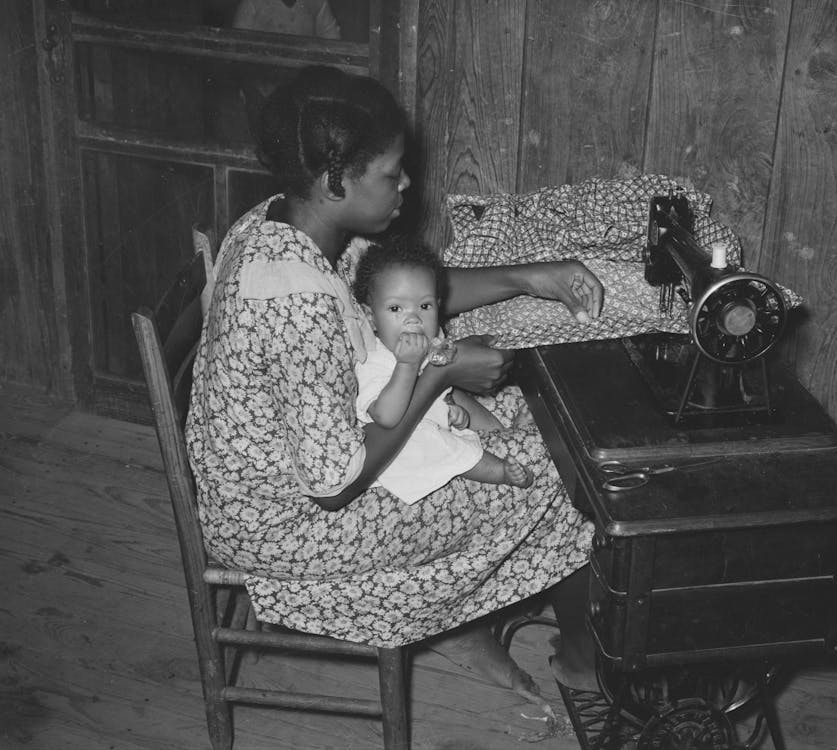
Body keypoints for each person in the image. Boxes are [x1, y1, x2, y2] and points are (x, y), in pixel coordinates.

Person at [185, 65, 605, 707]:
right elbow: (335, 484)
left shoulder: (292, 223)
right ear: (336, 180)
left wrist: (531, 276)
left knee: (529, 415)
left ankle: (459, 614)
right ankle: (577, 660)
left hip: (301, 461)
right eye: (390, 173)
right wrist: (440, 375)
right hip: (287, 524)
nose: (406, 183)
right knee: (568, 475)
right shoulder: (291, 300)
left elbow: (402, 296)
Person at [352, 236, 533, 504]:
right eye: (395, 308)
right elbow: (387, 417)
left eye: (424, 306)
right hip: (397, 444)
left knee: (465, 410)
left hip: (431, 415)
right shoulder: (372, 361)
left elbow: (439, 389)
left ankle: (505, 436)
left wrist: (449, 410)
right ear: (370, 318)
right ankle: (498, 471)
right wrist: (407, 365)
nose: (413, 318)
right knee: (432, 443)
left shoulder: (430, 336)